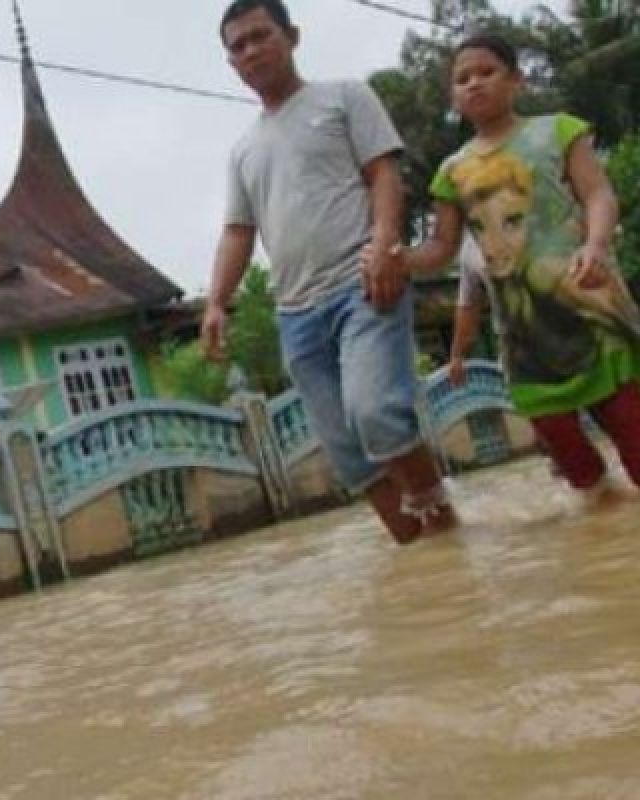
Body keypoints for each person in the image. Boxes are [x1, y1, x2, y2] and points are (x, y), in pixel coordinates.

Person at [201, 0, 457, 545]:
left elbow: (383, 172)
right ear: (231, 63)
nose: (250, 51)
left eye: (259, 36)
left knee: (376, 415)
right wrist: (216, 303)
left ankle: (446, 527)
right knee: (347, 453)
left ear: (292, 36)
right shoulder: (243, 152)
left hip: (362, 283)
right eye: (237, 46)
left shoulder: (344, 97)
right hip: (295, 311)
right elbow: (239, 232)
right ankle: (425, 560)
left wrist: (385, 244)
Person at [398, 32, 640, 500]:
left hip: (590, 304)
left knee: (631, 427)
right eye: (462, 78)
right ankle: (606, 519)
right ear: (453, 97)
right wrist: (396, 259)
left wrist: (595, 242)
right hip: (526, 335)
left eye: (486, 72)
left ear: (516, 80)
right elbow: (442, 250)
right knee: (561, 441)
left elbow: (598, 193)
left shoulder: (559, 130)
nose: (474, 84)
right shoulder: (451, 171)